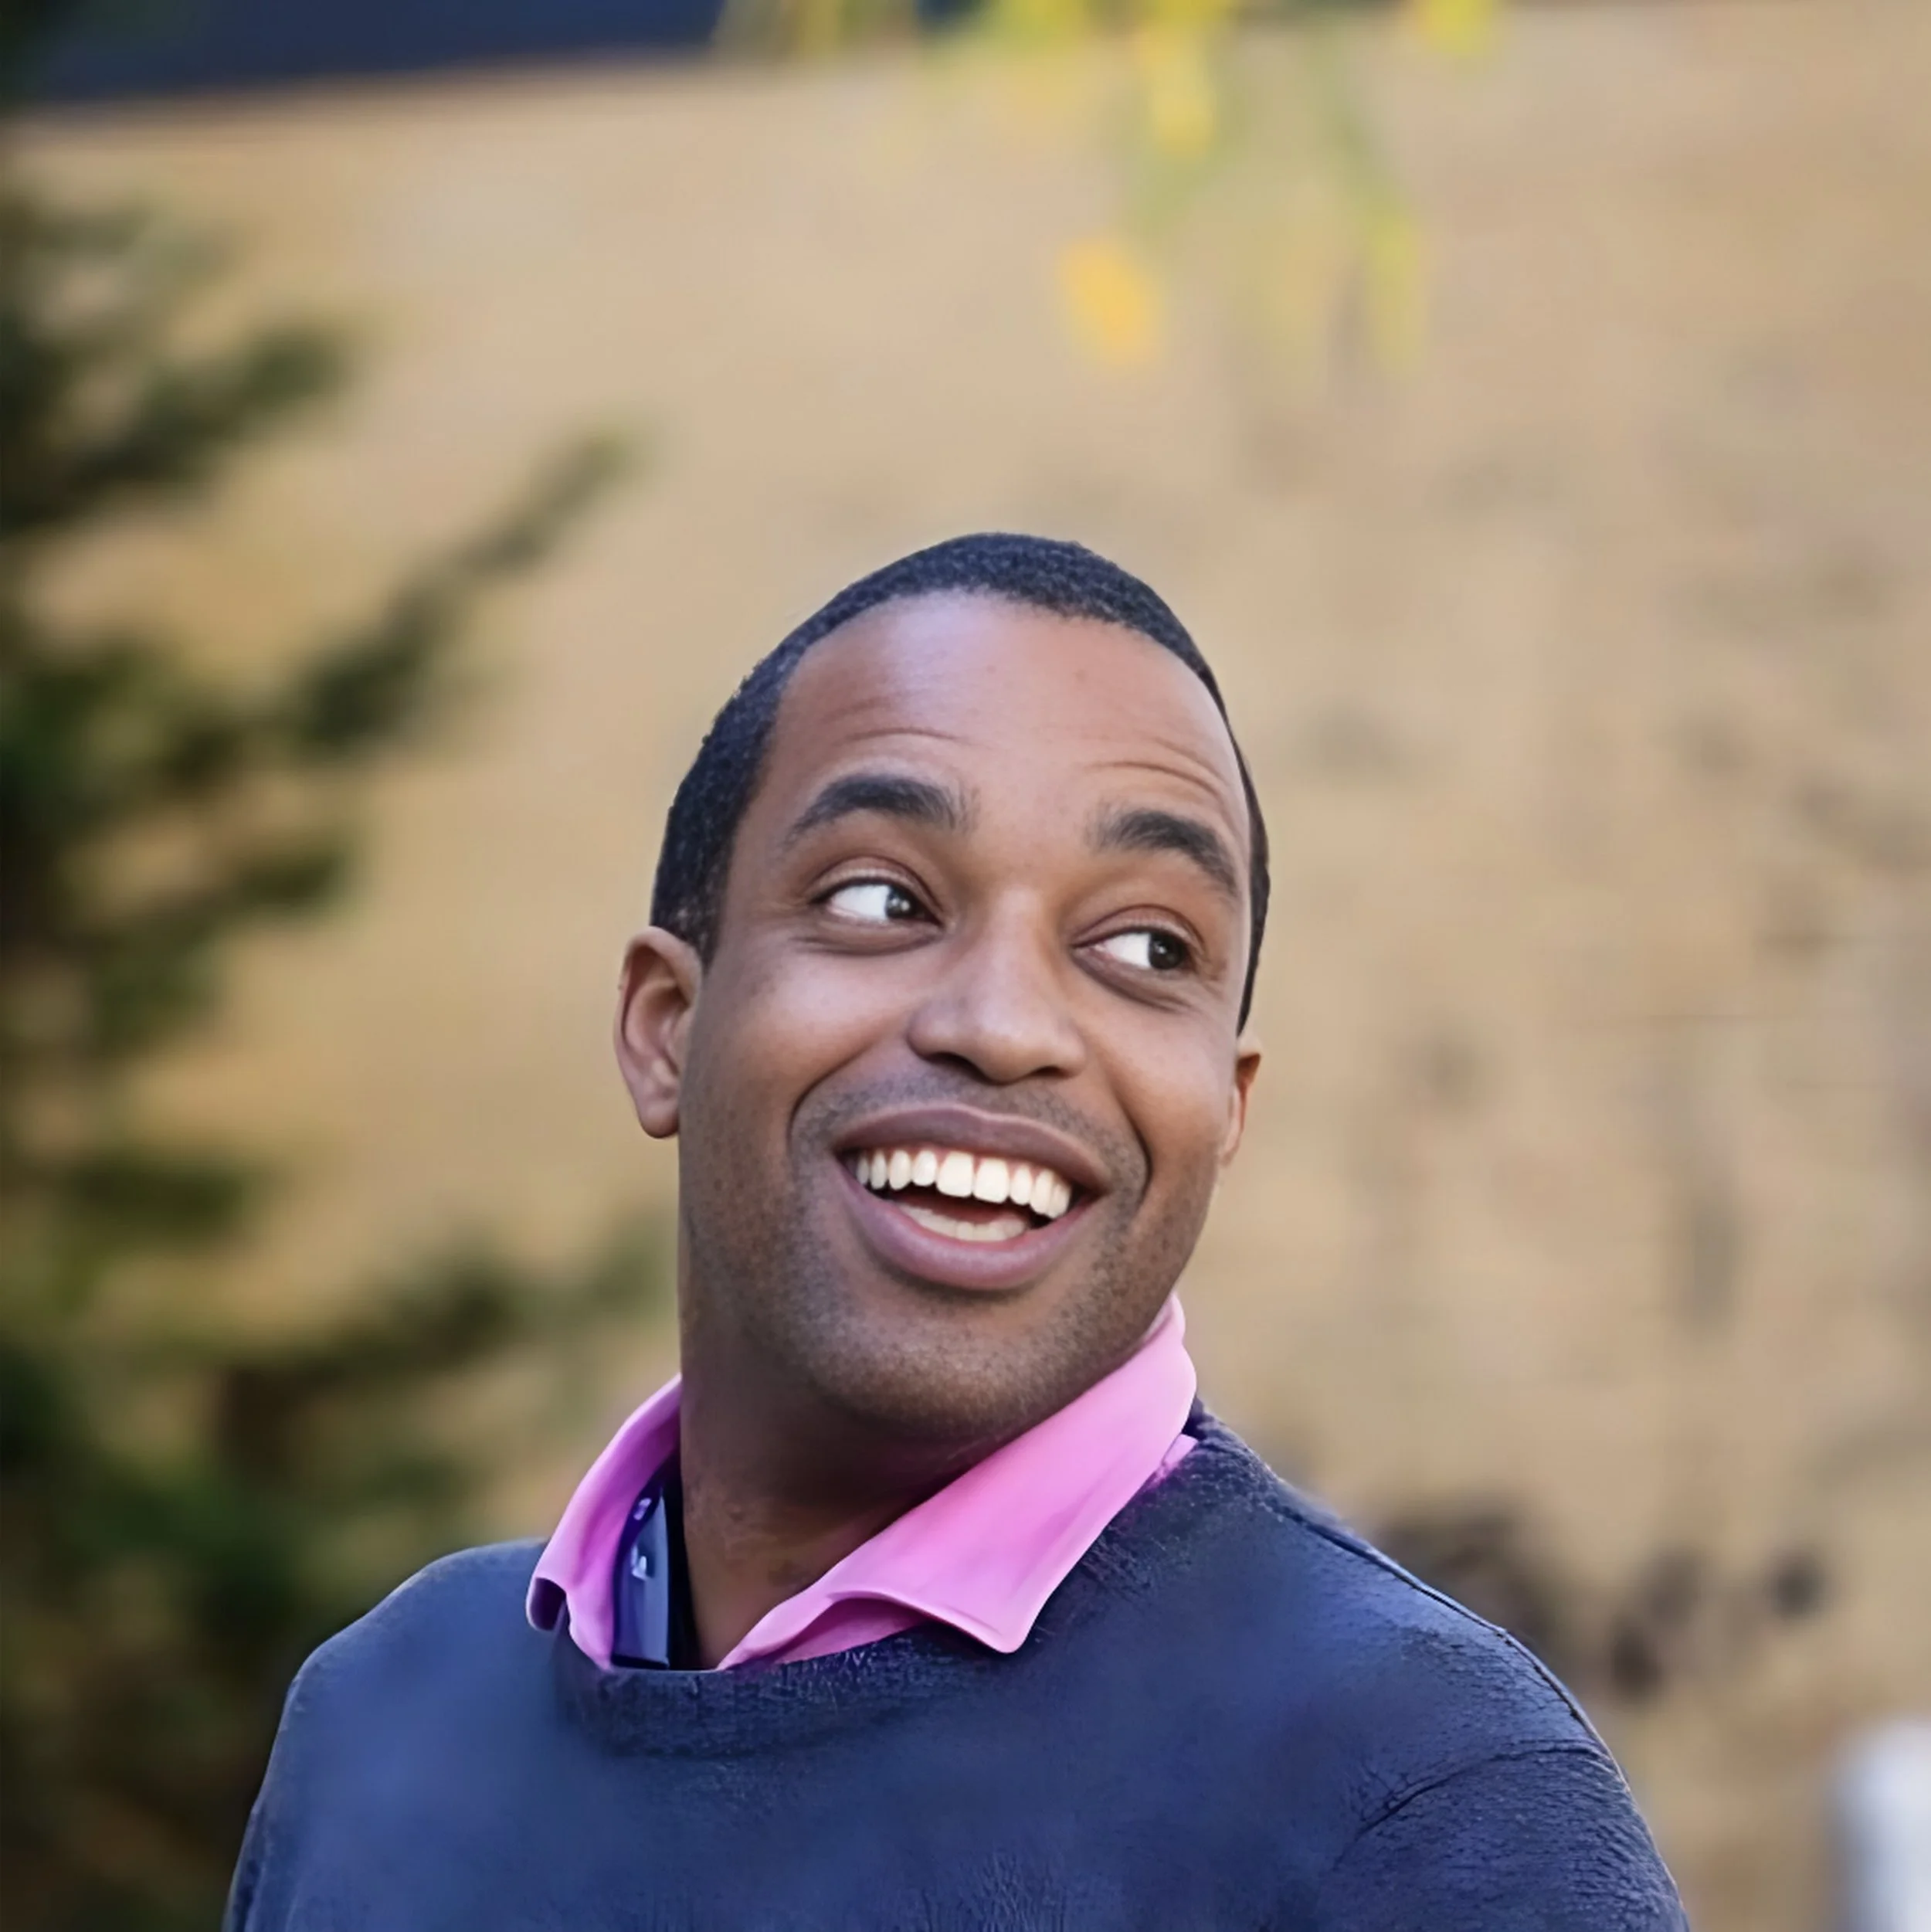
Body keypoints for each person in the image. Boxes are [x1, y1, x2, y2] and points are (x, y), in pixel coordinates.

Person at [226, 534, 1688, 1930]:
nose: (1003, 1026)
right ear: (668, 1026)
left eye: (1146, 949)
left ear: (1225, 1108)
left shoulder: (1418, 1802)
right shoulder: (384, 1719)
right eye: (881, 899)